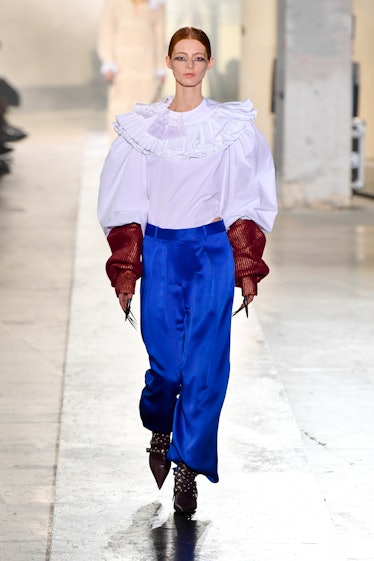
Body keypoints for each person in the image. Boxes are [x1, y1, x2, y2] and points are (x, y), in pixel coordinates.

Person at [98, 26, 278, 515]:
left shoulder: (232, 128)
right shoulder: (143, 130)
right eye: (182, 57)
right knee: (168, 368)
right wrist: (126, 268)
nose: (191, 66)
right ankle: (160, 426)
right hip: (159, 251)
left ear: (209, 63)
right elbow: (126, 202)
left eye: (199, 58)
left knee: (203, 371)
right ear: (170, 62)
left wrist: (245, 265)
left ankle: (187, 467)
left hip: (210, 254)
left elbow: (248, 196)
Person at [97, 0, 166, 138]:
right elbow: (106, 30)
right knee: (121, 106)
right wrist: (109, 61)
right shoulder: (113, 3)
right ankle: (120, 151)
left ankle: (144, 153)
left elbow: (160, 35)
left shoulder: (156, 5)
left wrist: (161, 65)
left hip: (147, 63)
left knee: (148, 106)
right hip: (122, 64)